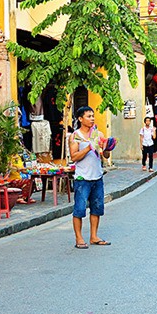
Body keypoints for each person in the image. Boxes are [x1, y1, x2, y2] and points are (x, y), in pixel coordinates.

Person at [69, 106, 113, 249]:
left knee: (97, 208)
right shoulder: (75, 136)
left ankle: (94, 236)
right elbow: (74, 157)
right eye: (88, 116)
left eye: (93, 116)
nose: (92, 119)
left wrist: (107, 148)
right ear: (80, 119)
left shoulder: (98, 134)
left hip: (97, 177)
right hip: (82, 178)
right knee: (80, 209)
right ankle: (79, 238)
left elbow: (105, 156)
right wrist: (89, 147)